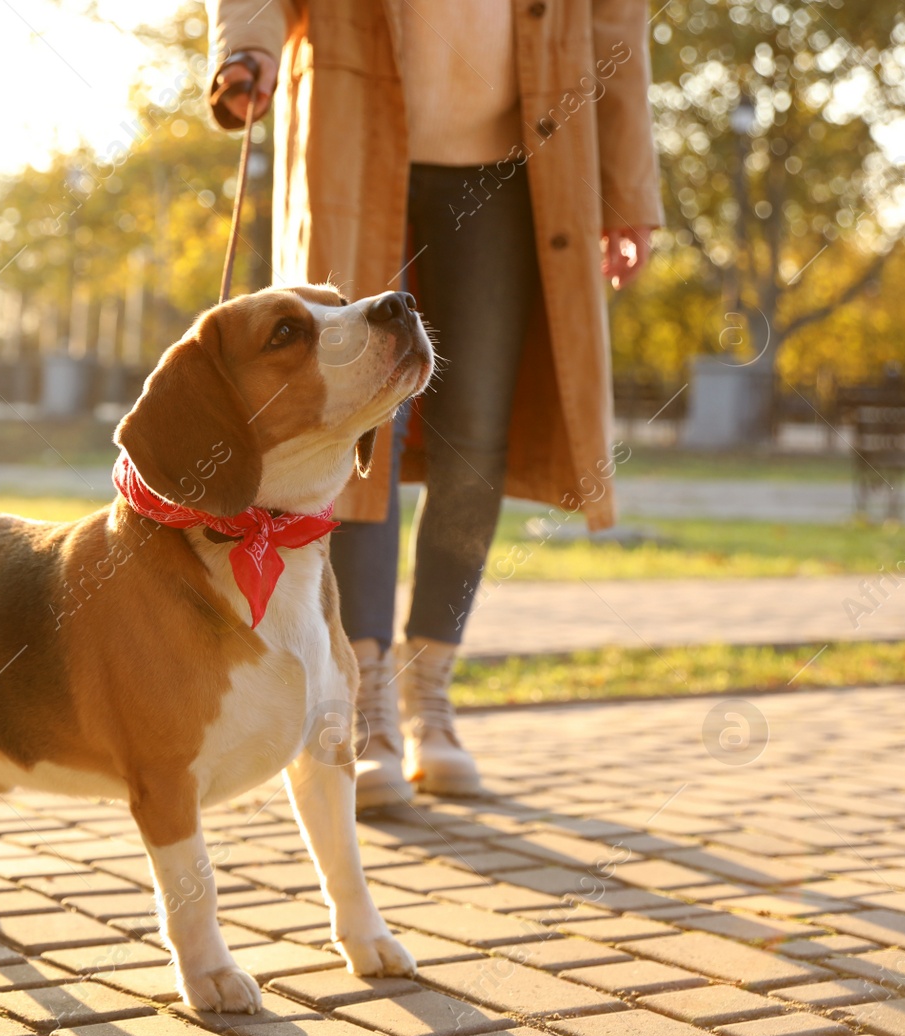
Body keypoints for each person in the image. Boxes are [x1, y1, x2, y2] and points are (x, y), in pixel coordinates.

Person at [208, 0, 663, 805]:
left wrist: (626, 185)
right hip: (355, 136)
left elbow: (613, 20)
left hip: (517, 157)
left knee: (477, 434)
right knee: (354, 418)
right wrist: (247, 47)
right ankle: (367, 700)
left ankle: (432, 690)